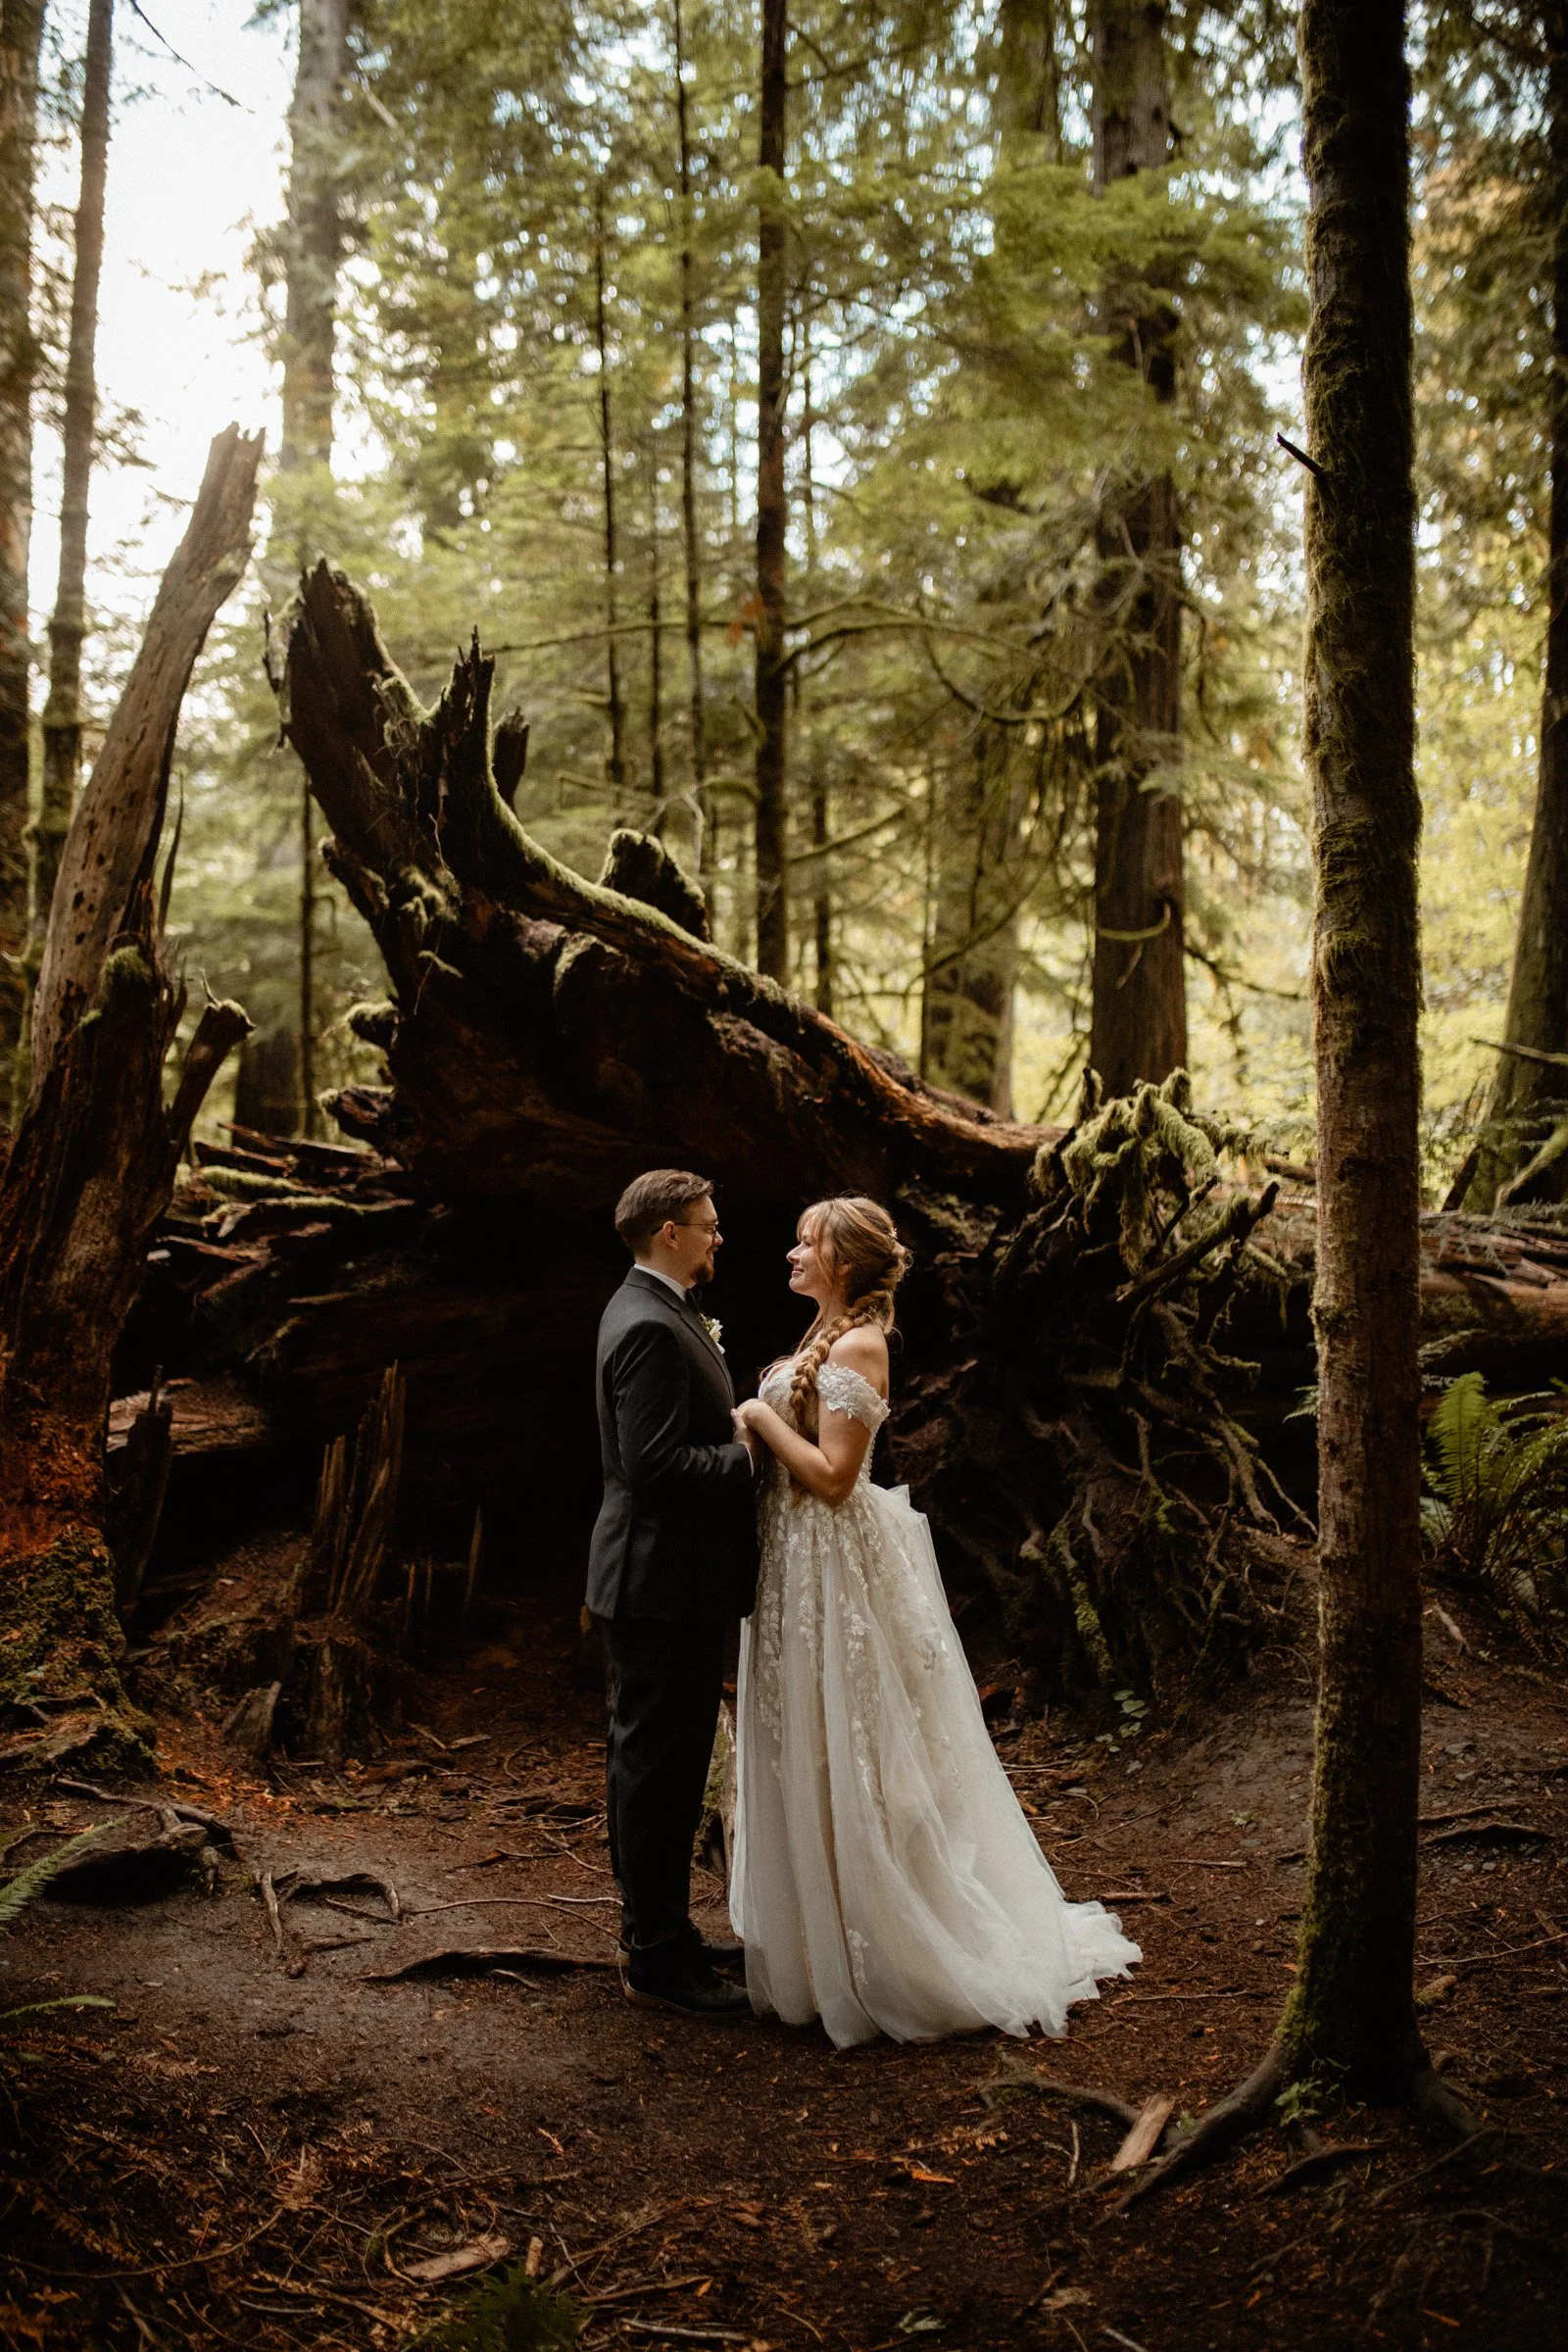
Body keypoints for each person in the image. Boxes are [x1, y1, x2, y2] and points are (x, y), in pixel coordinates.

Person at [729, 1195, 1141, 2048]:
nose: (791, 1255)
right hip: (793, 1572)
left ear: (843, 1262)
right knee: (801, 1741)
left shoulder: (862, 1345)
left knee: (857, 1746)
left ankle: (895, 1947)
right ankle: (817, 1946)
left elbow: (837, 1477)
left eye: (805, 1243)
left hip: (832, 1572)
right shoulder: (820, 1338)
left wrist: (761, 1416)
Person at [587, 1168, 758, 2019]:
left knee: (662, 1766)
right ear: (668, 1232)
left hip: (666, 1581)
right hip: (658, 1582)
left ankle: (663, 1934)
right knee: (657, 1772)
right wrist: (750, 1459)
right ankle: (656, 1956)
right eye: (707, 1224)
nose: (718, 1236)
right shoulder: (650, 1326)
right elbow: (652, 1466)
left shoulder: (658, 1308)